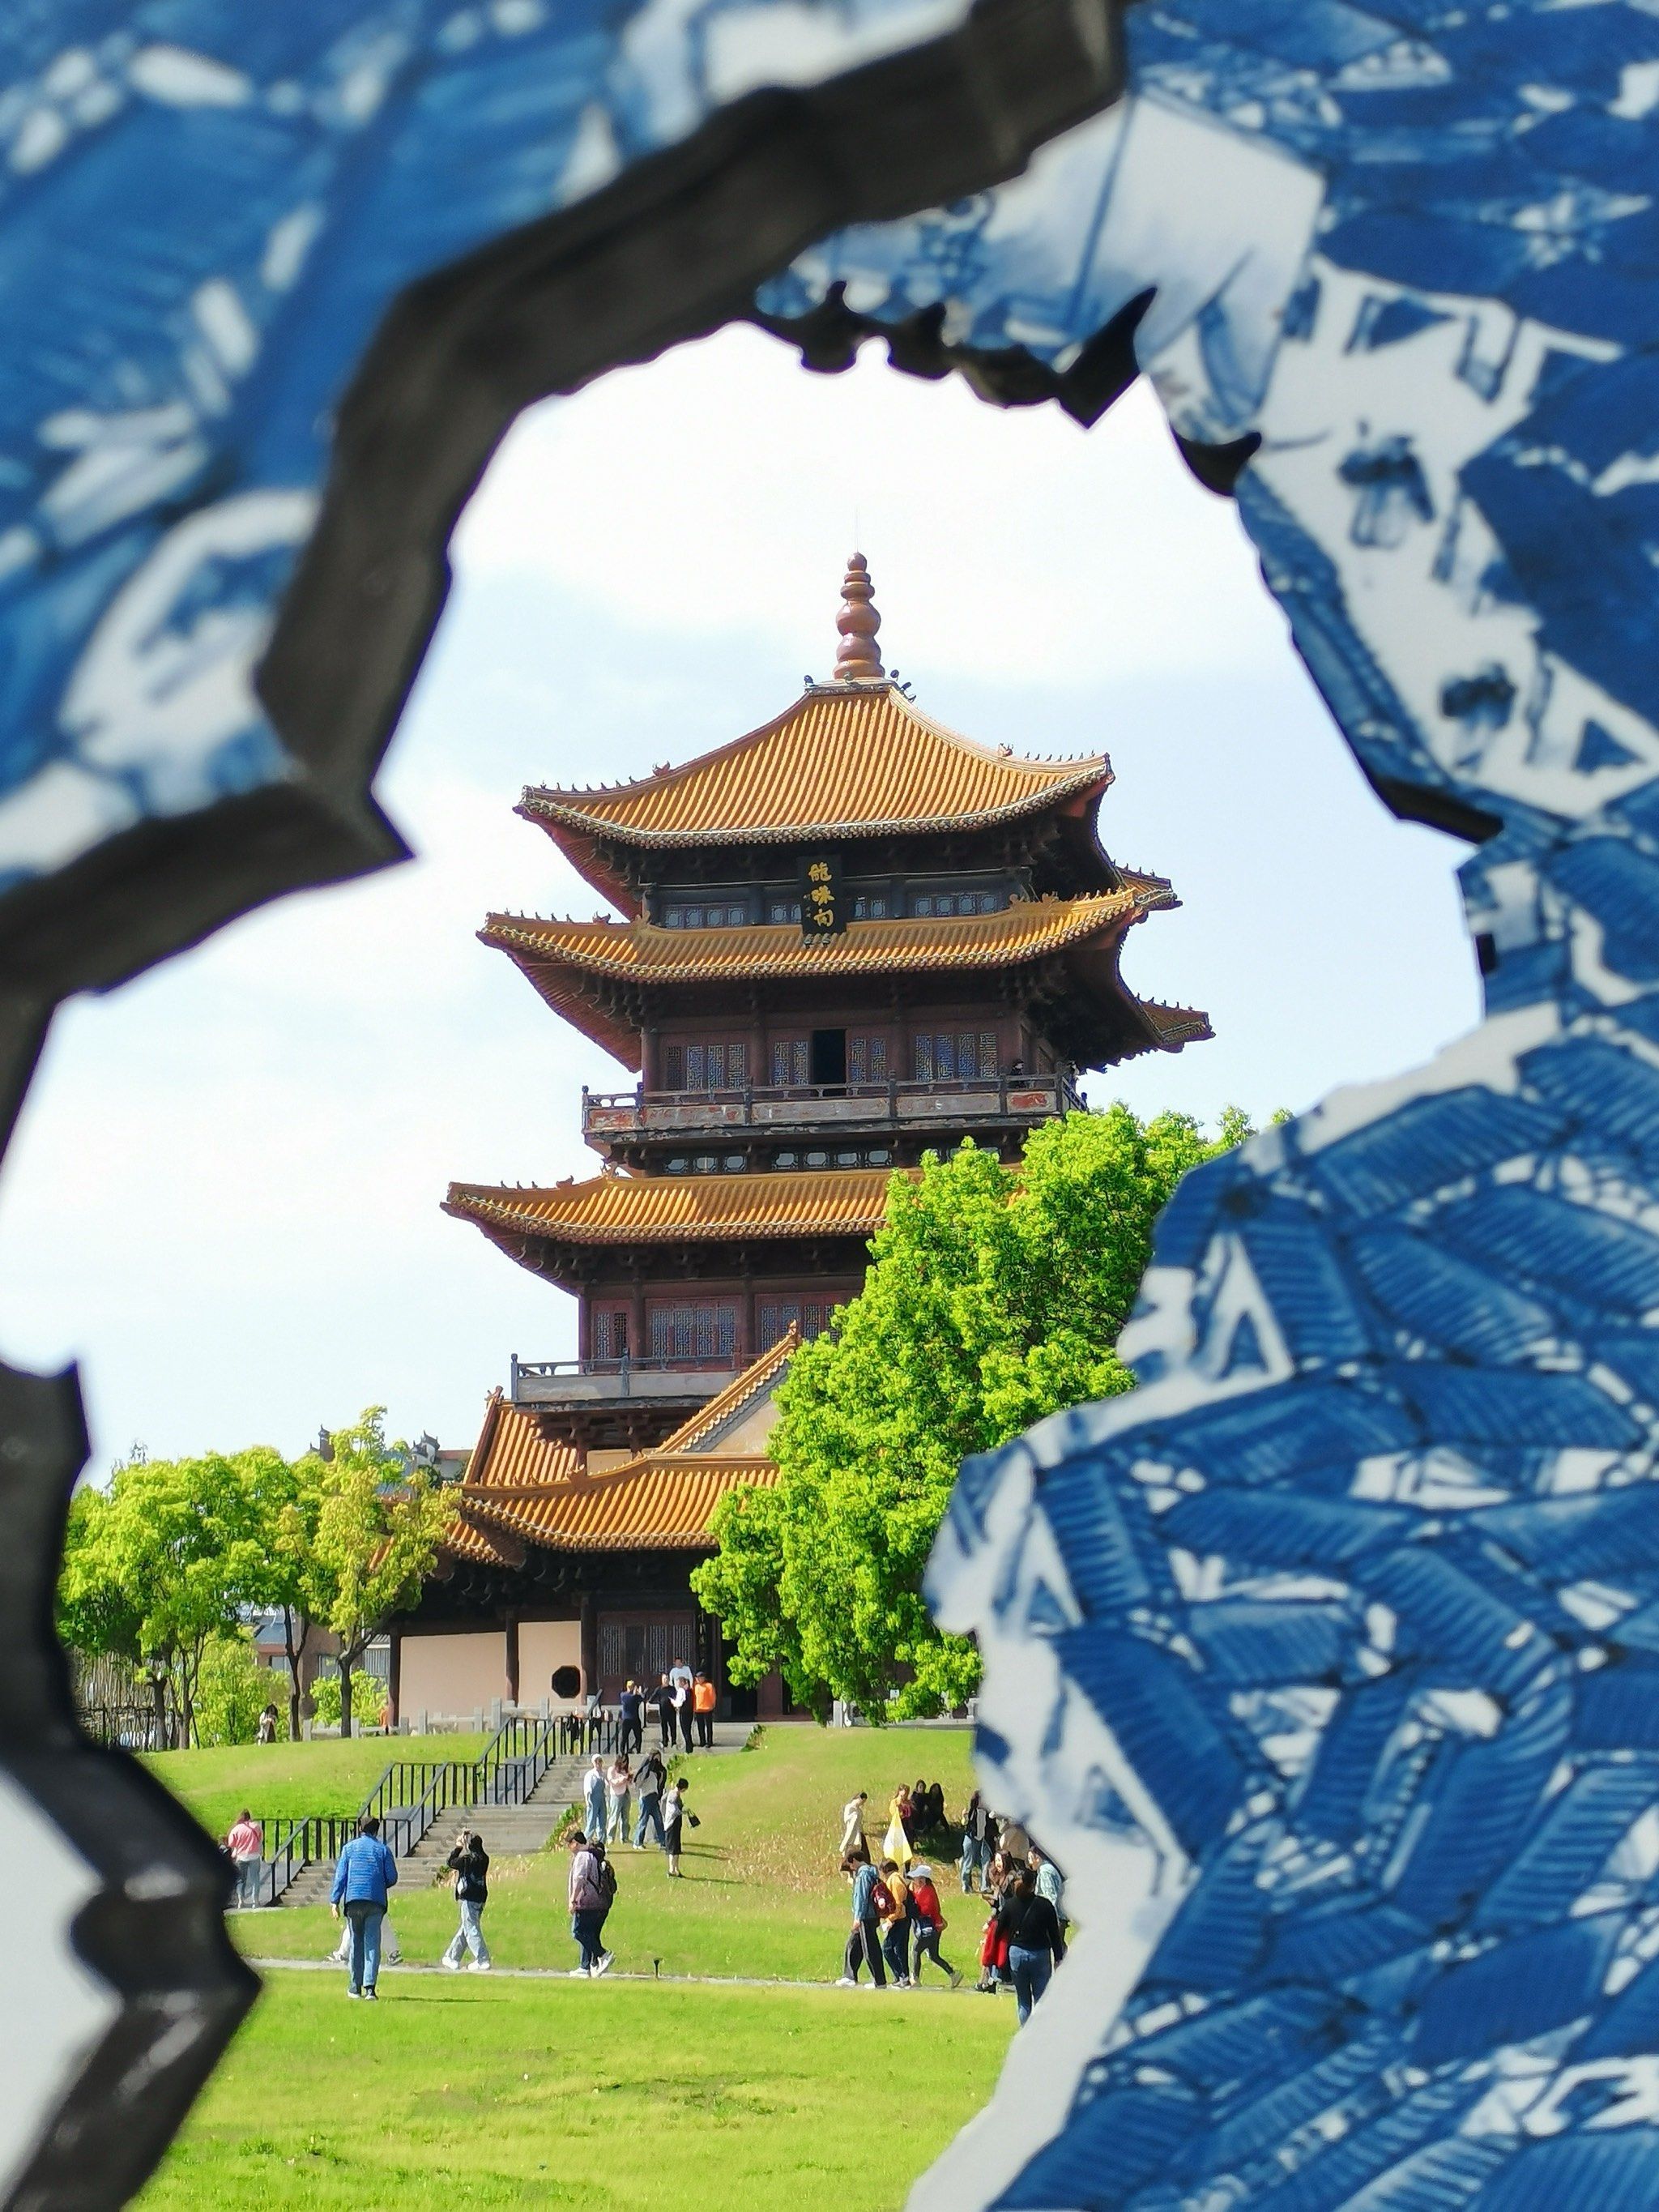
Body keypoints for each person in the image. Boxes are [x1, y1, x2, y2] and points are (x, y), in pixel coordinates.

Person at [330, 1813, 399, 2000]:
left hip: (353, 1900)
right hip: (375, 1901)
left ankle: (354, 1987)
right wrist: (379, 1883)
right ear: (377, 1831)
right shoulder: (383, 1850)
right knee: (372, 1944)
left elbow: (341, 1877)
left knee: (356, 1943)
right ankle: (370, 1988)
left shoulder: (349, 1849)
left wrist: (335, 1900)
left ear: (360, 1829)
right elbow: (392, 1877)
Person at [996, 1866, 1064, 2026]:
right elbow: (1054, 1934)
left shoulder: (1010, 1905)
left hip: (1017, 1954)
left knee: (1023, 2001)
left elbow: (998, 1932)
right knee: (1041, 1998)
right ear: (1034, 1884)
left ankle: (1024, 2031)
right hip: (1040, 1955)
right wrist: (1058, 1957)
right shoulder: (1045, 1905)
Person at [442, 1830, 492, 1971]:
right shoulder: (485, 1858)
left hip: (468, 1897)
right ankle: (452, 1957)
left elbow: (451, 1862)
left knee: (471, 1928)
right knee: (467, 1928)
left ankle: (482, 1959)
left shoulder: (466, 1860)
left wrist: (459, 1847)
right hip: (480, 1897)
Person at [565, 1830, 612, 1978]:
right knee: (589, 1933)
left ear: (575, 1843)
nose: (569, 1847)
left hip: (586, 1901)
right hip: (597, 1902)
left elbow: (579, 1879)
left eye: (569, 1844)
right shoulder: (591, 1855)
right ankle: (585, 1966)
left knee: (578, 1932)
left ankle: (603, 1954)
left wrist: (573, 1900)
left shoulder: (582, 1856)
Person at [838, 1856, 890, 1988]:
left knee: (870, 1949)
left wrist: (858, 1917)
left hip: (866, 1916)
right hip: (869, 1916)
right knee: (854, 1944)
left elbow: (862, 1897)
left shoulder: (863, 1875)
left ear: (854, 1861)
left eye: (851, 1867)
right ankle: (850, 1976)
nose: (851, 1871)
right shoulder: (870, 1872)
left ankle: (879, 1981)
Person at [908, 1863, 962, 1988]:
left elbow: (926, 1909)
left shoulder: (927, 1891)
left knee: (915, 1950)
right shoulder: (924, 1890)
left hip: (929, 1927)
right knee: (934, 1955)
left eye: (921, 1878)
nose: (918, 1881)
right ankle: (953, 1974)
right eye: (917, 1878)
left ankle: (915, 1978)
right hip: (935, 1927)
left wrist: (914, 1907)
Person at [1030, 1843, 1068, 1961]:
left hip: (1055, 1917)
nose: (1029, 1863)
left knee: (1053, 1951)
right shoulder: (1047, 1867)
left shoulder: (1045, 1871)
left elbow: (1050, 1897)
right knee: (1060, 1948)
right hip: (1059, 1915)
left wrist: (1050, 1920)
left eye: (1030, 1858)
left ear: (1037, 1858)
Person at [881, 1860, 914, 1987]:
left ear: (885, 1871)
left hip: (899, 1919)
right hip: (903, 1918)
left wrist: (891, 1918)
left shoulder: (894, 1880)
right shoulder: (899, 1878)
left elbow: (897, 1903)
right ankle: (904, 1977)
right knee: (900, 1949)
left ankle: (901, 1976)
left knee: (887, 1948)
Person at [225, 1808, 263, 1910]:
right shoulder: (256, 1826)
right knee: (255, 1878)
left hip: (241, 1856)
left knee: (241, 1879)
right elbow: (260, 1839)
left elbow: (231, 1843)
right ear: (249, 1817)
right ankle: (255, 1900)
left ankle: (241, 1901)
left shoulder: (236, 1829)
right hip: (254, 1855)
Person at [634, 1747, 667, 1849]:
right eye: (655, 1759)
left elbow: (660, 1783)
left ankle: (663, 1842)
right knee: (643, 1820)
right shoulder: (645, 1770)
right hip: (646, 1797)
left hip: (654, 1797)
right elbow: (639, 1783)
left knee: (658, 1820)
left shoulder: (657, 1771)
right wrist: (647, 1770)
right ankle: (638, 1842)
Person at [663, 1775, 693, 1876]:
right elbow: (674, 1811)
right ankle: (671, 1870)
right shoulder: (673, 1795)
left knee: (676, 1848)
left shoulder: (676, 1794)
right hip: (671, 1824)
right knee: (672, 1849)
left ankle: (676, 1869)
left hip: (676, 1824)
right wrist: (682, 1811)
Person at [606, 1753, 633, 1845]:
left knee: (626, 1817)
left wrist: (630, 1777)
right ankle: (610, 1837)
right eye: (623, 1761)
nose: (624, 1764)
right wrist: (622, 1780)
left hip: (626, 1793)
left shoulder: (626, 1770)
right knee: (614, 1816)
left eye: (626, 1761)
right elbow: (612, 1782)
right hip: (616, 1795)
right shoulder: (612, 1770)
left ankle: (625, 1837)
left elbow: (630, 1783)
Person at [882, 1788, 913, 1872]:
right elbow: (894, 1813)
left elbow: (910, 1814)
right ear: (899, 1791)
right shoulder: (894, 1802)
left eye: (907, 1792)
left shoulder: (909, 1803)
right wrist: (899, 1807)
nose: (905, 1794)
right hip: (897, 1828)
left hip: (907, 1828)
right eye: (904, 1792)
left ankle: (907, 1870)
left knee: (907, 1848)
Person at [582, 1753, 608, 1844]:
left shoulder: (603, 1774)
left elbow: (607, 1785)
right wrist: (587, 1800)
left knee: (602, 1821)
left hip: (602, 1798)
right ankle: (585, 1841)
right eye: (596, 1761)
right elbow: (587, 1788)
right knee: (591, 1821)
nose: (598, 1763)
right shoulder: (590, 1774)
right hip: (593, 1799)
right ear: (593, 1763)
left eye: (600, 1761)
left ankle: (601, 1843)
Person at [840, 1791, 869, 1861]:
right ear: (858, 1799)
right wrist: (855, 1816)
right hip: (852, 1830)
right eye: (862, 1801)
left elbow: (859, 1823)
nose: (862, 1804)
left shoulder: (859, 1811)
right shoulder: (850, 1808)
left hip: (858, 1831)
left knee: (862, 1850)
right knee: (851, 1844)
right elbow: (847, 1820)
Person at [650, 1672, 676, 1749]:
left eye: (667, 1679)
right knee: (664, 1728)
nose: (666, 1680)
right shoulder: (659, 1689)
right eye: (664, 1679)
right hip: (663, 1711)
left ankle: (673, 1742)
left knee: (673, 1727)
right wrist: (648, 1704)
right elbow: (652, 1698)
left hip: (672, 1711)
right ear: (662, 1680)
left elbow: (675, 1697)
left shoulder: (672, 1689)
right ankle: (665, 1742)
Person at [618, 1679, 644, 1755]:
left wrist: (637, 1694)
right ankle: (626, 1750)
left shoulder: (624, 1695)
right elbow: (642, 1698)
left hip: (630, 1718)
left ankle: (625, 1750)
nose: (630, 1688)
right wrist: (639, 1693)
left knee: (632, 1736)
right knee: (629, 1736)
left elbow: (642, 1698)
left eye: (631, 1687)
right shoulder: (625, 1695)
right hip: (630, 1718)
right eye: (630, 1687)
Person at [692, 1671, 716, 1749]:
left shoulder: (709, 1686)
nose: (698, 1680)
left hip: (707, 1709)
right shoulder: (695, 1686)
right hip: (698, 1709)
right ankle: (702, 1741)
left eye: (699, 1678)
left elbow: (713, 1696)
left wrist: (713, 1705)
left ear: (703, 1678)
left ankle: (709, 1741)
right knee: (700, 1726)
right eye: (697, 1678)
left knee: (709, 1726)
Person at [673, 1676, 694, 1755]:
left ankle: (688, 1748)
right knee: (688, 1730)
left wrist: (675, 1704)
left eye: (679, 1682)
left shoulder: (683, 1691)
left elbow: (680, 1702)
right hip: (689, 1712)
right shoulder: (690, 1691)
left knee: (685, 1731)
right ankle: (689, 1747)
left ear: (682, 1682)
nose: (678, 1684)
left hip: (684, 1712)